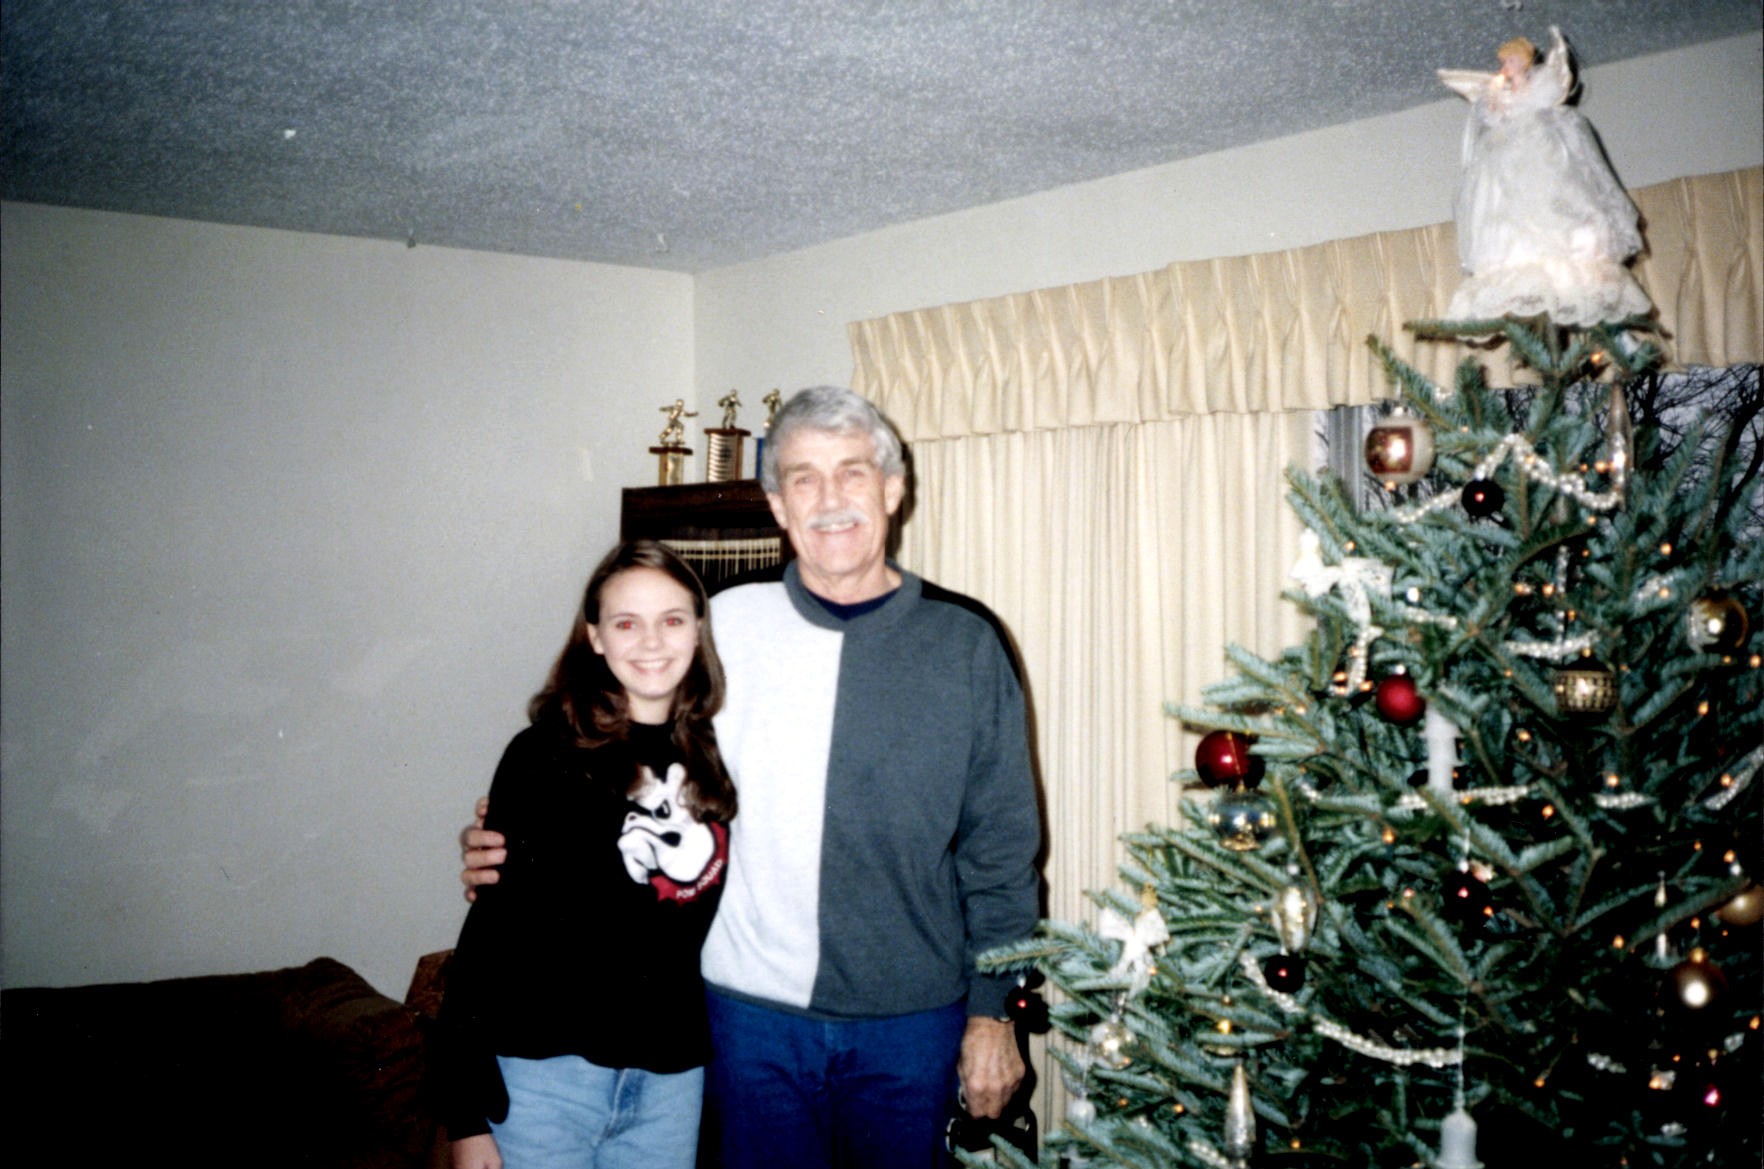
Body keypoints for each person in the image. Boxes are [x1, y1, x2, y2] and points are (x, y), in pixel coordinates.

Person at [463, 387, 1041, 1169]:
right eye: (803, 477)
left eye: (853, 471)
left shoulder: (967, 645)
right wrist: (510, 836)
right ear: (776, 504)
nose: (829, 499)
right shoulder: (723, 629)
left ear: (894, 489)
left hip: (911, 1025)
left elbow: (1002, 855)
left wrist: (995, 1014)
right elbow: (613, 755)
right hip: (746, 1024)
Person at [438, 540, 735, 1169]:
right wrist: (464, 1115)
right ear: (595, 637)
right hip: (544, 1081)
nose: (651, 642)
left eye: (672, 620)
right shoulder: (542, 755)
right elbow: (487, 937)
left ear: (698, 629)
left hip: (671, 1084)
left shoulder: (722, 754)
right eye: (627, 623)